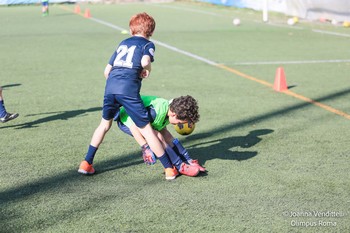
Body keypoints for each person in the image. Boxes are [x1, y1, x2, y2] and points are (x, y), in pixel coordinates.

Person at [78, 12, 195, 180]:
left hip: (110, 87)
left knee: (104, 125)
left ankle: (86, 163)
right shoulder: (148, 45)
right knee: (147, 130)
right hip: (128, 90)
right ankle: (169, 169)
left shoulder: (123, 43)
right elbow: (145, 62)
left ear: (131, 30)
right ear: (151, 32)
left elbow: (106, 71)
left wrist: (116, 84)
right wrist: (147, 71)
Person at [115, 95, 206, 177]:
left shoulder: (170, 109)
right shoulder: (153, 113)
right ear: (174, 114)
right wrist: (145, 147)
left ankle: (187, 160)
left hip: (146, 121)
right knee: (158, 137)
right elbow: (134, 128)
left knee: (167, 135)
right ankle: (176, 167)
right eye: (179, 123)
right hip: (127, 121)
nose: (178, 125)